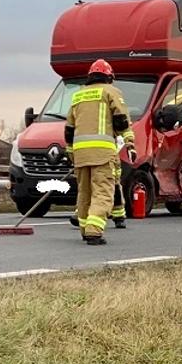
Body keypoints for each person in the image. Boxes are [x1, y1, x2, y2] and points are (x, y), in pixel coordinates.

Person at [64, 60, 130, 245]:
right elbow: (121, 120)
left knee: (84, 193)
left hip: (80, 154)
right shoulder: (111, 92)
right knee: (102, 192)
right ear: (109, 77)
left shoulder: (78, 96)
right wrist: (130, 142)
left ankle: (85, 229)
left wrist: (71, 152)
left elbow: (69, 128)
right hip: (102, 153)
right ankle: (94, 231)